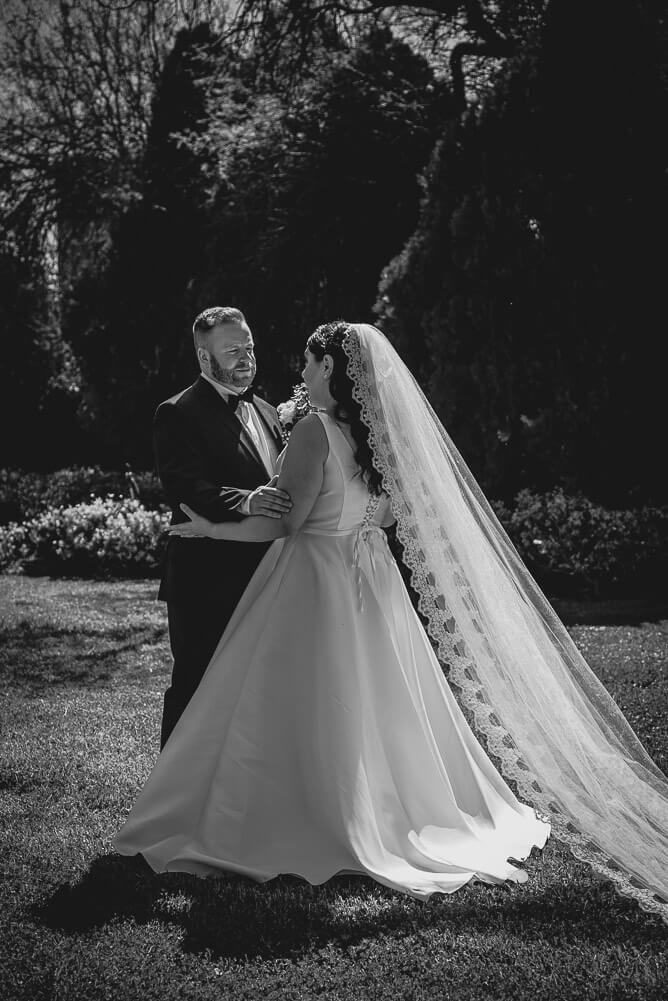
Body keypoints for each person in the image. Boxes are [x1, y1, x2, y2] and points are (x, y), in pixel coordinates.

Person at [116, 323, 668, 923]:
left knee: (295, 698)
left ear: (330, 369)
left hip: (314, 579)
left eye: (307, 363)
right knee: (376, 698)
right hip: (370, 580)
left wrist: (210, 528)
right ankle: (393, 809)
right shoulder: (373, 435)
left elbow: (288, 523)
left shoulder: (311, 429)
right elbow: (377, 513)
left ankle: (299, 813)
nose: (297, 373)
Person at [154, 306, 291, 748]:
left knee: (259, 689)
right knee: (196, 684)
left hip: (272, 574)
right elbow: (186, 489)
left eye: (248, 347)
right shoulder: (177, 413)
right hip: (206, 578)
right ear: (203, 357)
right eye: (232, 350)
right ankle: (167, 797)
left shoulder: (271, 412)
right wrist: (249, 500)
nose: (246, 357)